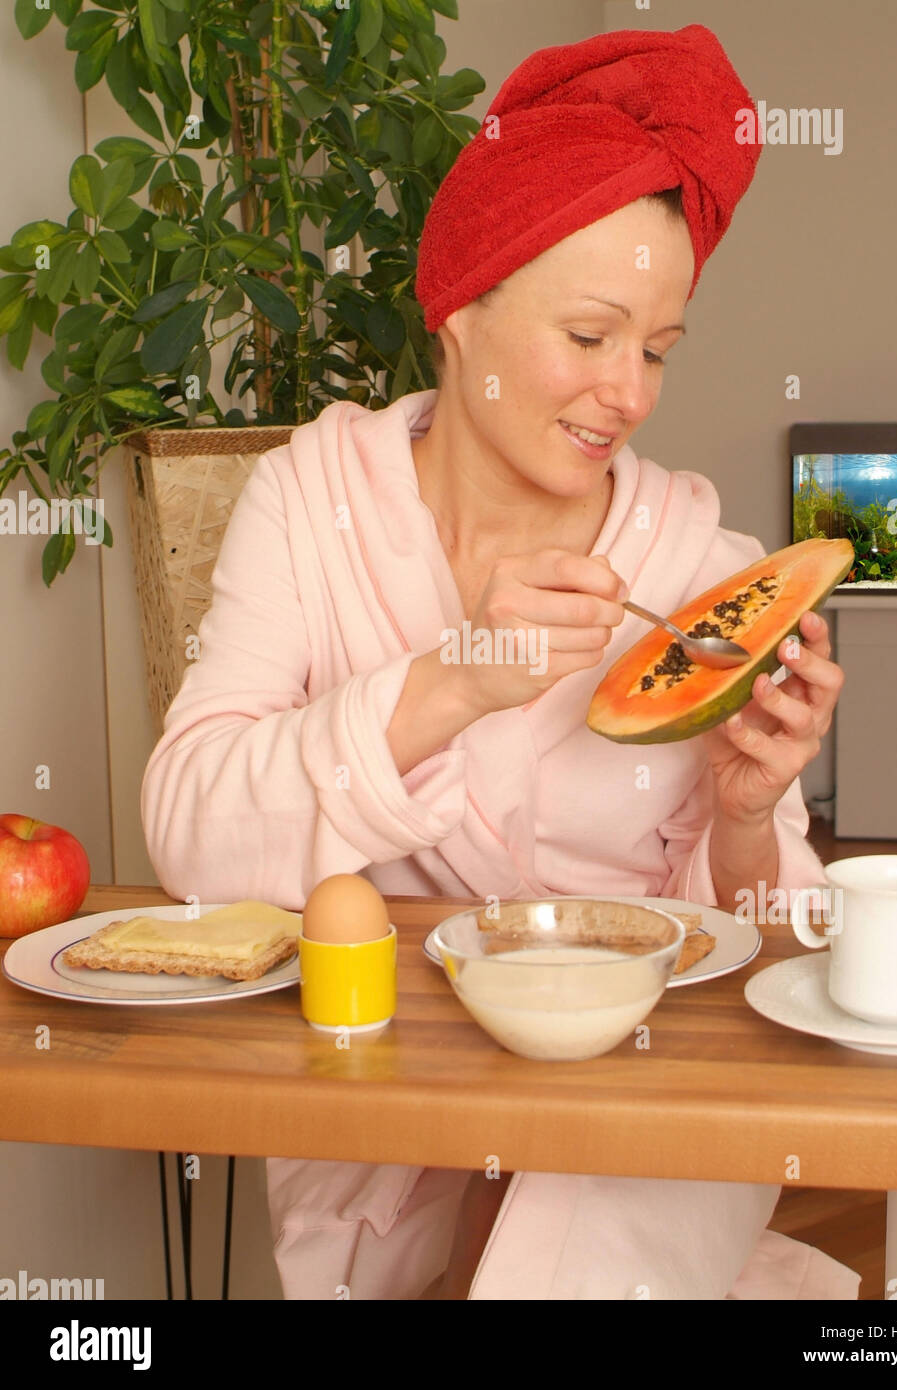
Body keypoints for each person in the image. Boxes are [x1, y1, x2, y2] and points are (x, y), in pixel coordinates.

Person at [141, 25, 860, 1300]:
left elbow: (771, 952)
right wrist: (454, 679)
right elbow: (188, 836)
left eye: (656, 348)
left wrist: (748, 823)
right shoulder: (309, 504)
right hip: (386, 1130)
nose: (629, 393)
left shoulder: (701, 558)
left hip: (652, 1118)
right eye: (589, 337)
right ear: (461, 308)